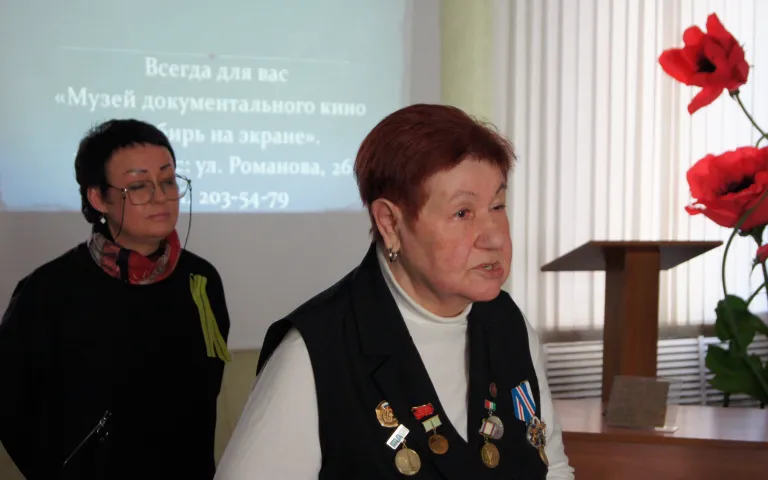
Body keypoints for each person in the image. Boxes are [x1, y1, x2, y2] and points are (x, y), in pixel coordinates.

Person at [215, 104, 574, 479]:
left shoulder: (508, 324)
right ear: (389, 222)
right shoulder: (316, 351)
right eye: (463, 213)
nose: (495, 237)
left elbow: (552, 466)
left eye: (497, 206)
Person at [0, 119, 231, 479]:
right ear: (98, 198)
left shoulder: (201, 280)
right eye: (138, 186)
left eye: (168, 181)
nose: (160, 196)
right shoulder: (48, 290)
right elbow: (11, 405)